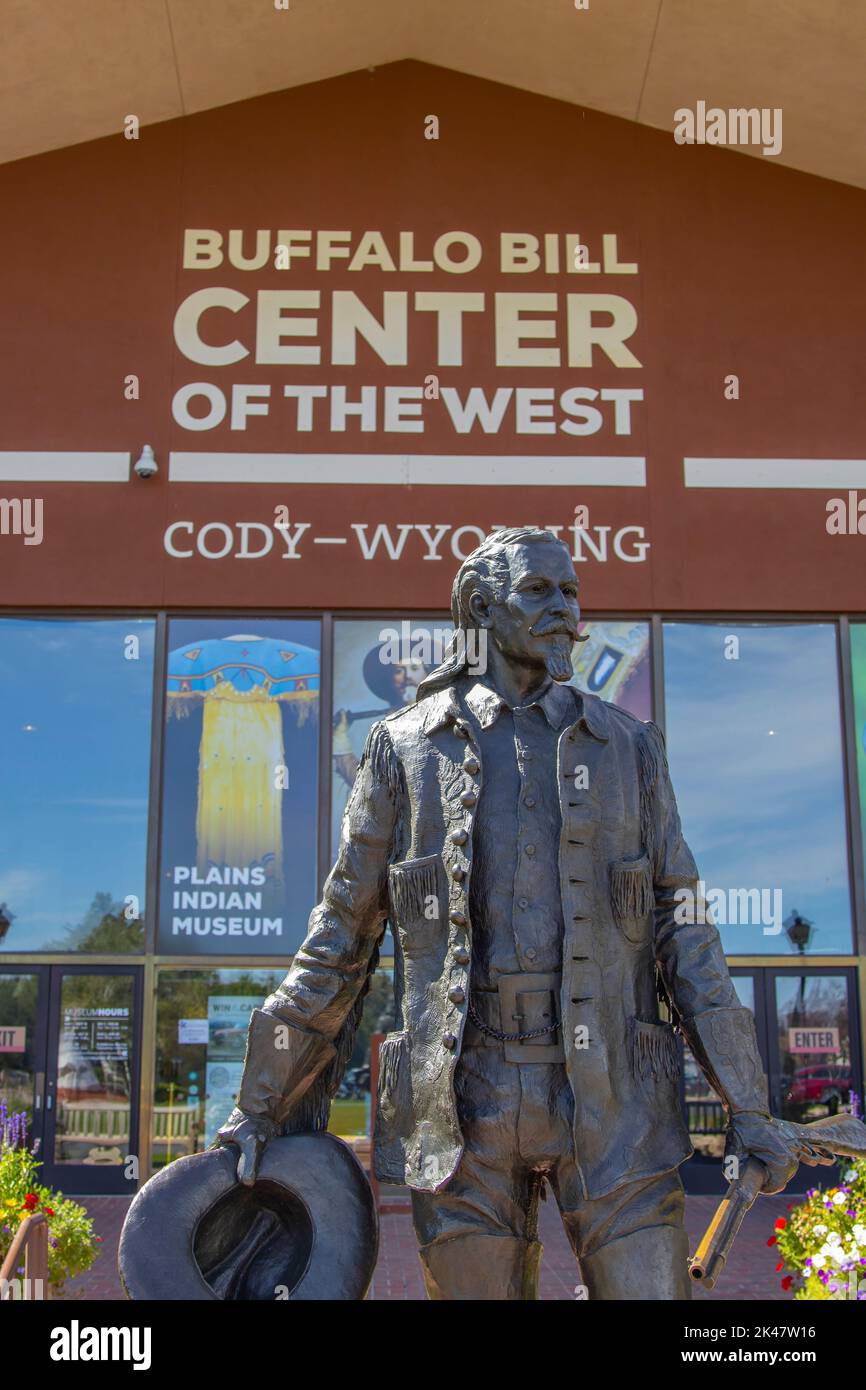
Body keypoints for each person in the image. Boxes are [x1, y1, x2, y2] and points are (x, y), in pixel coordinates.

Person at [217, 526, 800, 1300]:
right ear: (481, 607)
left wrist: (750, 1104)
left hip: (617, 1105)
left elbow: (687, 935)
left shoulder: (631, 749)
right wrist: (258, 1106)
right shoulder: (402, 751)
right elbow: (339, 940)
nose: (565, 609)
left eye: (572, 592)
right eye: (540, 591)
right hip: (461, 1112)